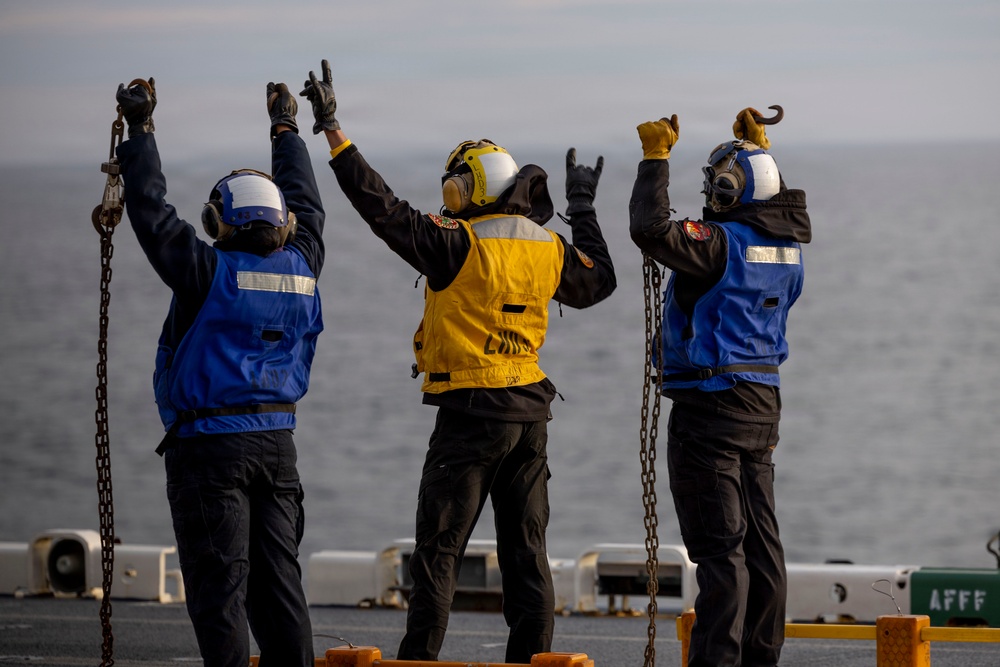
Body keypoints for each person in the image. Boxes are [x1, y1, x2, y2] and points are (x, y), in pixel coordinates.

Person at [297, 60, 616, 662]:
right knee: (528, 553)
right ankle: (534, 660)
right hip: (530, 415)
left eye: (457, 189)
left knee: (439, 551)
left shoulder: (457, 244)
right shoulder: (546, 245)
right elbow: (600, 281)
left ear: (477, 190)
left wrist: (335, 132)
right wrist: (582, 204)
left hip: (471, 413)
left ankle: (419, 661)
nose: (452, 201)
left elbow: (382, 209)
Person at [114, 77, 325, 667]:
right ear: (280, 223)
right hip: (277, 447)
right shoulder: (304, 266)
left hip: (210, 453)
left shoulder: (207, 272)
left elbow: (152, 213)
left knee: (220, 595)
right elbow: (309, 204)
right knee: (281, 588)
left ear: (218, 221)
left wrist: (141, 131)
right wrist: (286, 129)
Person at [629, 109, 811, 667]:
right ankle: (761, 659)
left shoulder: (717, 245)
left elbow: (651, 230)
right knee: (762, 546)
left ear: (729, 189)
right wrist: (761, 153)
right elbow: (758, 217)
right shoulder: (788, 248)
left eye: (716, 183)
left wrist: (655, 160)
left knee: (719, 553)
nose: (709, 192)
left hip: (710, 408)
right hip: (763, 405)